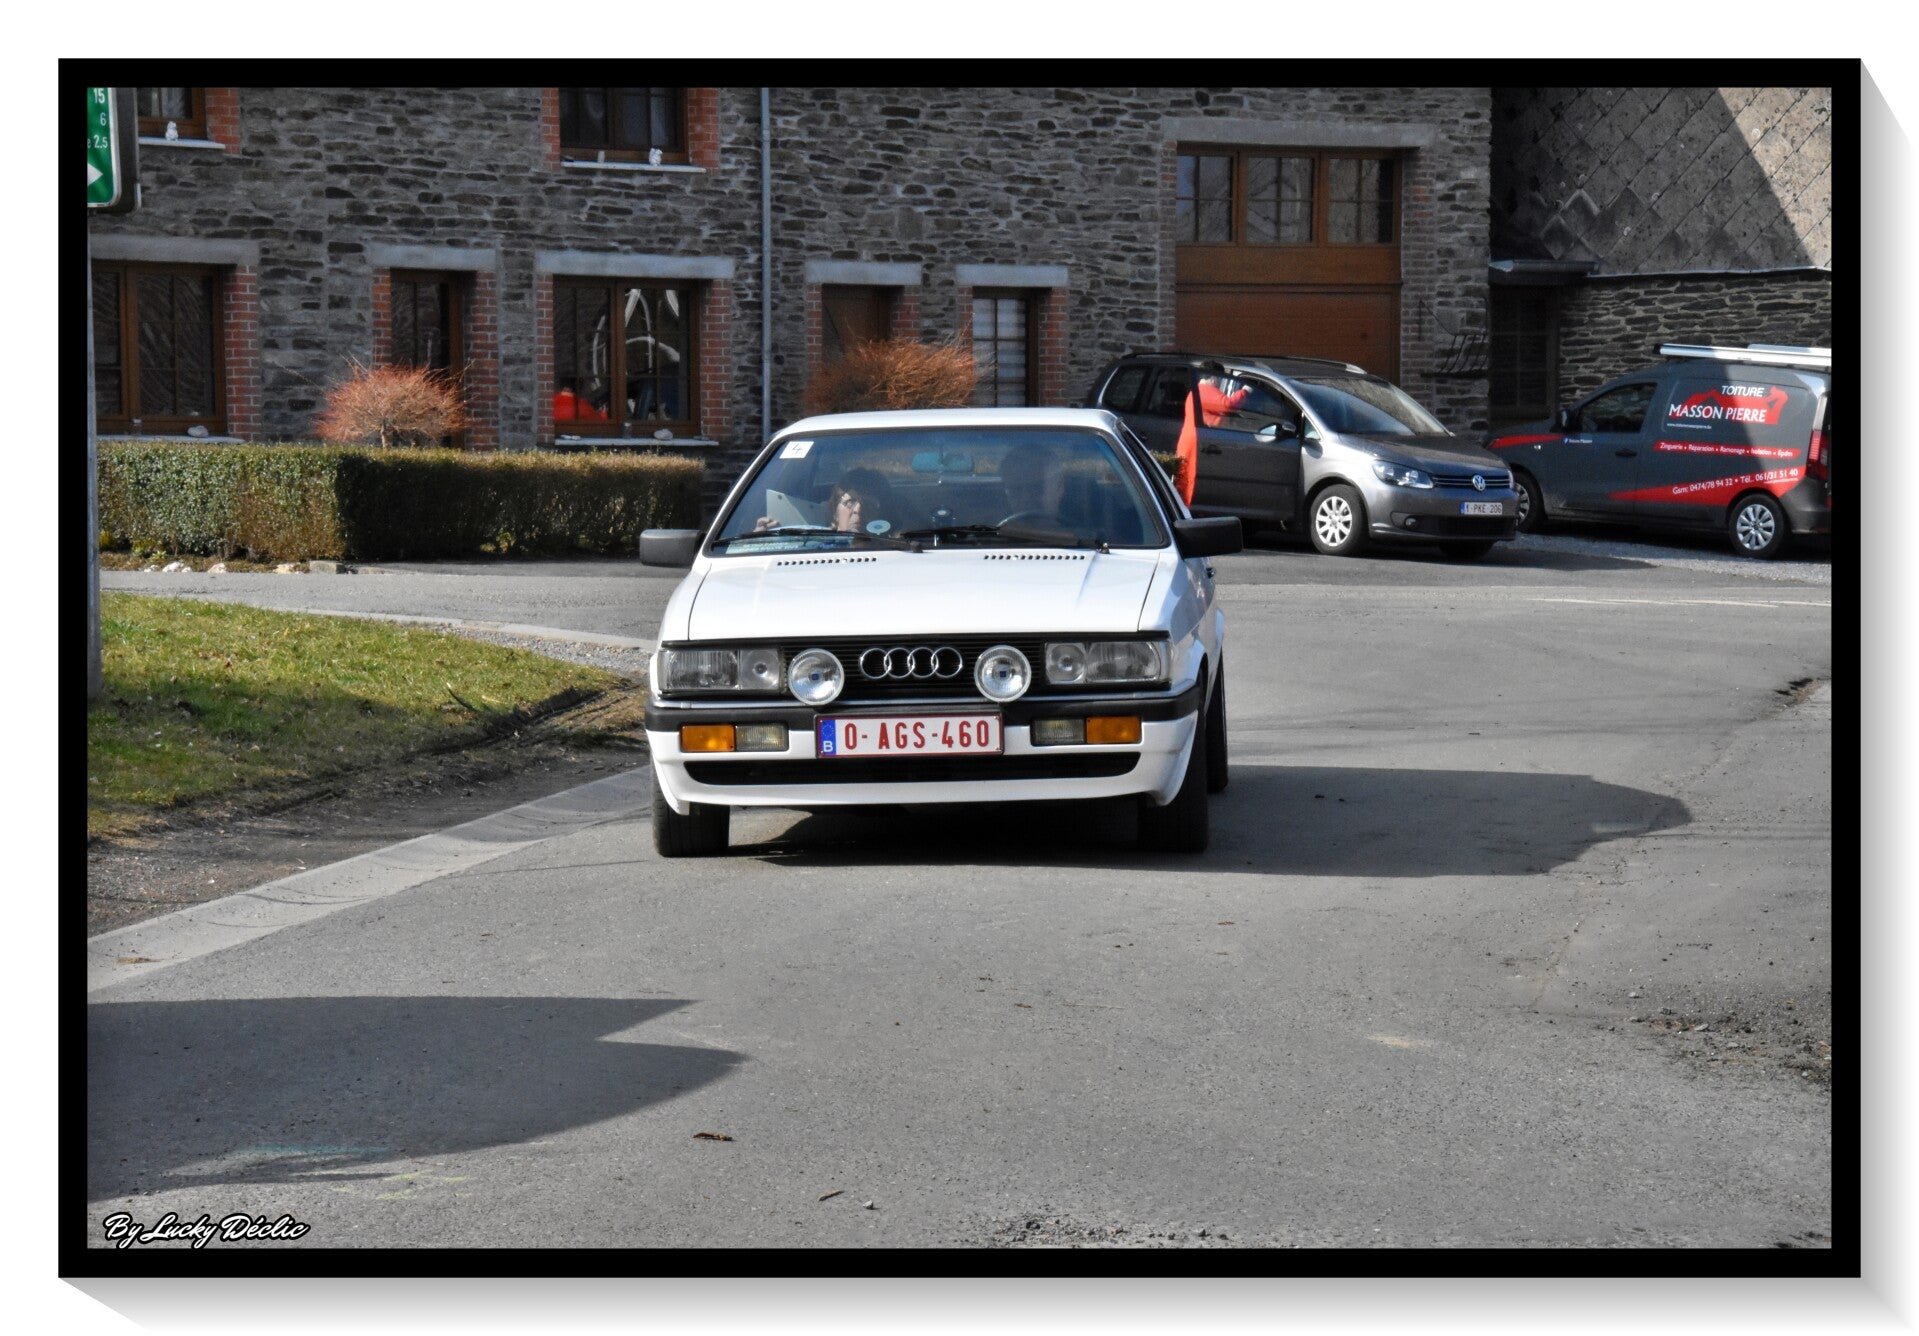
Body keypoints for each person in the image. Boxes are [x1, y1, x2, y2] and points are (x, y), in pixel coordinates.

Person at [998, 447, 1064, 522]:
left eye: (1036, 488)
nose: (1025, 498)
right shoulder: (990, 524)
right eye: (1015, 490)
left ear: (1060, 487)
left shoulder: (1076, 527)